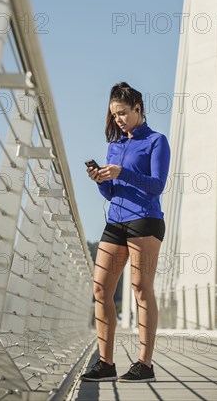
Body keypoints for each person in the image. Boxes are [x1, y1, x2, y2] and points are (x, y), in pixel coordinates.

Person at [80, 82, 170, 383]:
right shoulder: (115, 145)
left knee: (141, 288)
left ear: (137, 109)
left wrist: (122, 172)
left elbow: (157, 185)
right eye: (114, 115)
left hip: (146, 220)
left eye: (122, 113)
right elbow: (113, 193)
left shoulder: (157, 141)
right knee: (101, 289)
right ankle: (106, 364)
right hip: (116, 221)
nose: (118, 119)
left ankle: (145, 364)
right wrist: (101, 181)